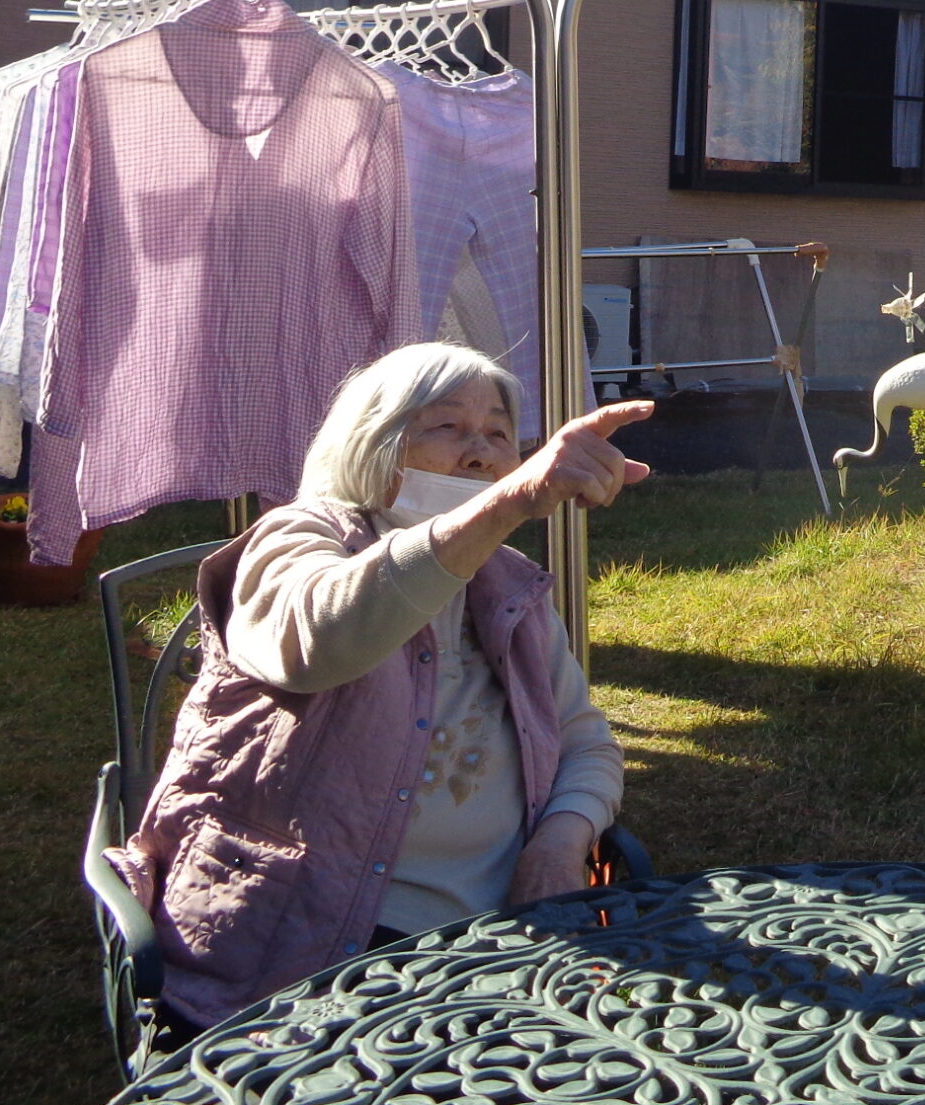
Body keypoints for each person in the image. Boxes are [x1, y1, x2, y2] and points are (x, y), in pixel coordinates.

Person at [110, 342, 651, 1033]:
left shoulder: (507, 582)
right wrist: (506, 505)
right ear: (376, 444)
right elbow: (315, 644)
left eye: (497, 433)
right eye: (448, 426)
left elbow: (585, 742)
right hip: (308, 952)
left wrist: (559, 844)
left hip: (498, 943)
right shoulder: (298, 536)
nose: (481, 453)